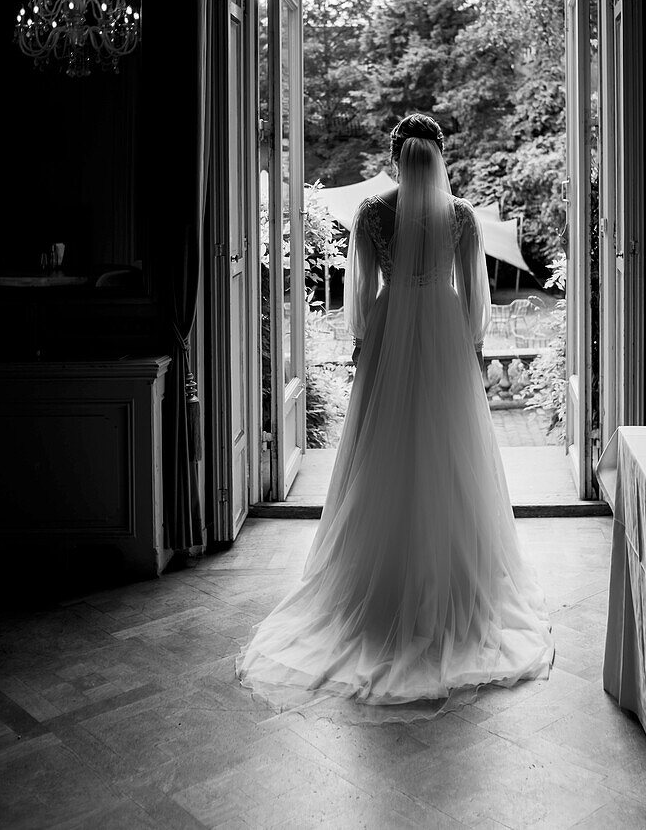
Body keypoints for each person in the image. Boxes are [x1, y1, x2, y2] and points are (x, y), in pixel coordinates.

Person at [235, 113, 554, 723]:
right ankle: (454, 588)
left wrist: (366, 338)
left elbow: (358, 292)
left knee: (381, 455)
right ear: (437, 156)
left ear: (393, 156)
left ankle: (372, 588)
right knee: (448, 456)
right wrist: (469, 346)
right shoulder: (460, 217)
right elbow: (474, 293)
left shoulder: (371, 215)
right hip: (442, 334)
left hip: (390, 330)